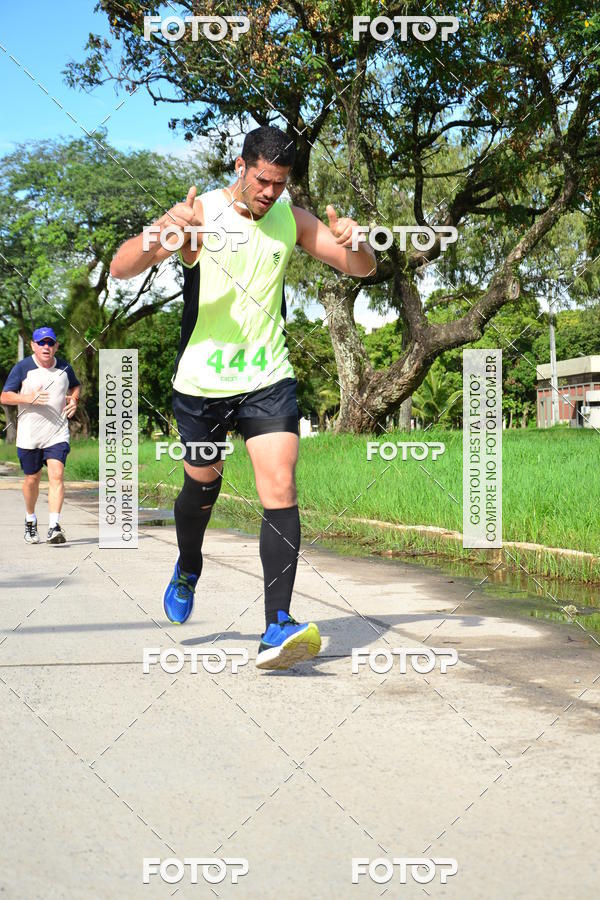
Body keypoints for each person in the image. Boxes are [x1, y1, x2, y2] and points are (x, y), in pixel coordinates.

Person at [110, 125, 375, 669]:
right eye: (262, 181)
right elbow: (120, 267)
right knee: (201, 488)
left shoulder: (291, 218)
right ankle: (188, 566)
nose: (270, 193)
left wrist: (358, 242)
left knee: (280, 485)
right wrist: (163, 234)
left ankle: (277, 625)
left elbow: (361, 268)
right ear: (240, 166)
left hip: (267, 377)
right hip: (202, 384)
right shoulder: (201, 214)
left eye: (280, 183)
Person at [0, 327, 81, 545]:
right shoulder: (23, 368)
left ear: (56, 346)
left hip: (57, 432)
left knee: (57, 475)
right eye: (41, 343)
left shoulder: (64, 367)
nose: (46, 346)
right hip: (29, 435)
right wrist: (28, 398)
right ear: (33, 346)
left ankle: (54, 526)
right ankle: (30, 519)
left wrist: (74, 400)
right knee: (32, 479)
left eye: (50, 343)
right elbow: (5, 397)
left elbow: (75, 386)